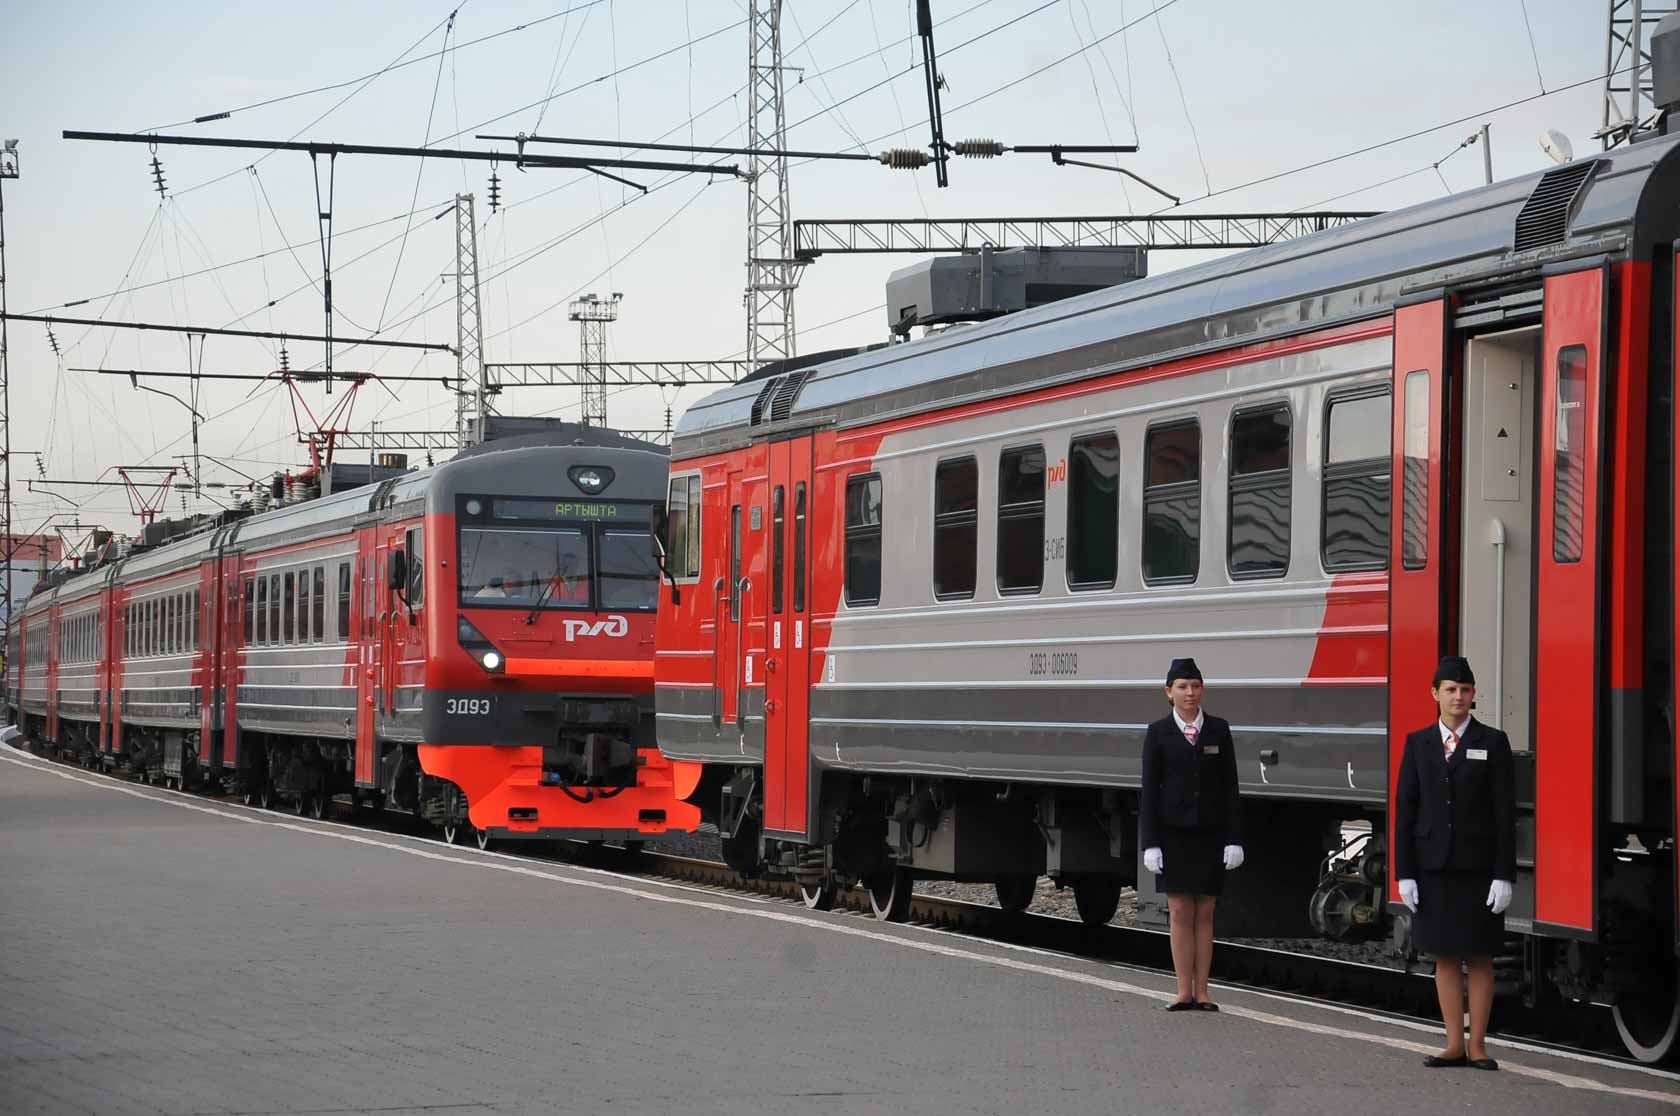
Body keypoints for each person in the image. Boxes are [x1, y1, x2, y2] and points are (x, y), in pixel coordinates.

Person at [1394, 655, 1516, 1071]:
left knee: (1480, 957)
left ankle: (1478, 1045)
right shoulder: (1418, 743)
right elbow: (1405, 811)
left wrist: (1504, 874)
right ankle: (1452, 1043)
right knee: (1445, 957)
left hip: (1479, 869)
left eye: (1465, 690)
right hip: (1433, 868)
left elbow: (1504, 813)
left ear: (1473, 695)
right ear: (1435, 694)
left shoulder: (1493, 742)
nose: (1458, 697)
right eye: (1450, 690)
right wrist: (1404, 873)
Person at [1140, 657, 1244, 1011]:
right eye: (1183, 687)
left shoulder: (1218, 729)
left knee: (1206, 912)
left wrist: (1234, 837)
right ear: (1168, 692)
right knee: (1180, 910)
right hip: (1173, 835)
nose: (1190, 693)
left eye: (1196, 686)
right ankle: (1183, 989)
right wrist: (1150, 843)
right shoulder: (1158, 733)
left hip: (1211, 834)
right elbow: (1149, 791)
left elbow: (1231, 787)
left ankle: (1204, 991)